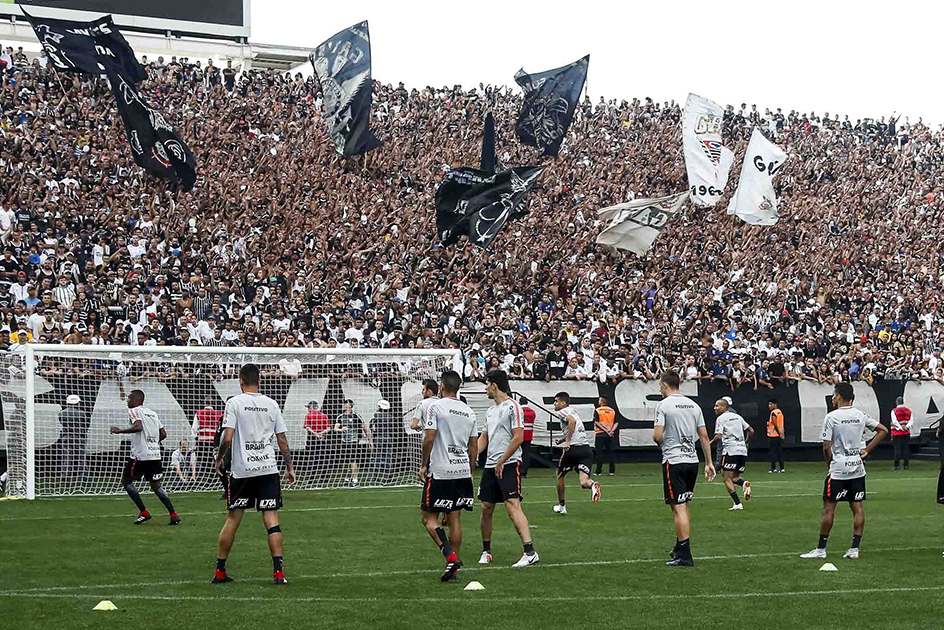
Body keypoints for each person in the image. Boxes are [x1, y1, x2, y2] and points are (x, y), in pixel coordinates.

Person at [213, 363, 296, 585]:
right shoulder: (272, 404)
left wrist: (219, 458)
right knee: (272, 520)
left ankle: (220, 571)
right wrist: (289, 467)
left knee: (233, 519)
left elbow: (227, 437)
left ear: (240, 380)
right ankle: (279, 573)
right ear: (260, 380)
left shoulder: (234, 402)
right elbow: (282, 439)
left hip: (243, 471)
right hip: (268, 468)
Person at [800, 382, 888, 560]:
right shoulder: (860, 415)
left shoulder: (831, 417)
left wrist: (829, 464)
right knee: (857, 508)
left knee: (828, 508)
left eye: (834, 395)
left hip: (838, 469)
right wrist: (867, 450)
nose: (832, 398)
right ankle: (854, 549)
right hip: (857, 469)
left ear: (839, 396)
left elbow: (826, 446)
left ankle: (821, 549)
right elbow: (883, 430)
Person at [419, 370, 478, 582]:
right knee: (454, 518)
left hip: (441, 471)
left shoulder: (436, 407)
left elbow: (429, 438)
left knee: (428, 518)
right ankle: (452, 568)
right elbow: (474, 445)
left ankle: (450, 556)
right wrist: (470, 470)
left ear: (442, 386)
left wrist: (423, 464)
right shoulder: (469, 411)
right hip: (462, 471)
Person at [653, 370, 715, 567]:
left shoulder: (663, 405)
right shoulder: (694, 405)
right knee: (683, 505)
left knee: (678, 507)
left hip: (674, 460)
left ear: (664, 384)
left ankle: (685, 554)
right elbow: (704, 436)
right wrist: (709, 462)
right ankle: (679, 548)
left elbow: (657, 435)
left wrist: (661, 443)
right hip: (692, 460)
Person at [477, 370, 538, 568]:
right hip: (491, 466)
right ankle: (486, 551)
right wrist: (472, 455)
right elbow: (484, 438)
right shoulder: (490, 411)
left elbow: (518, 437)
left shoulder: (514, 407)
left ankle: (530, 552)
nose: (486, 389)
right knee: (486, 507)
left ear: (494, 385)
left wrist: (502, 460)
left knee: (512, 504)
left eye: (487, 384)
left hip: (509, 464)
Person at [109, 390, 180, 526]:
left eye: (129, 398)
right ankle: (173, 515)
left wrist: (119, 431)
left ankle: (144, 512)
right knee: (156, 486)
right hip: (155, 455)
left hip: (140, 456)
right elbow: (163, 433)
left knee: (126, 481)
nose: (127, 400)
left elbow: (138, 427)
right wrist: (152, 443)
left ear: (136, 400)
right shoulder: (152, 413)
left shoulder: (134, 410)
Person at [552, 391, 602, 514]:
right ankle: (593, 485)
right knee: (584, 482)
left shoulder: (562, 411)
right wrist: (562, 439)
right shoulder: (572, 411)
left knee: (560, 476)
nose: (554, 404)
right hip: (585, 449)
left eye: (556, 401)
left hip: (573, 450)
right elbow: (575, 429)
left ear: (563, 403)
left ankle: (562, 506)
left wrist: (567, 442)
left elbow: (572, 422)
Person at [711, 398, 754, 510]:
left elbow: (719, 436)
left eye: (717, 406)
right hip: (742, 451)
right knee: (735, 477)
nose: (715, 408)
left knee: (726, 478)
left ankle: (737, 504)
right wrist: (746, 443)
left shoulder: (720, 418)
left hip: (730, 451)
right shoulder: (738, 417)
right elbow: (751, 430)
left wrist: (709, 443)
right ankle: (744, 483)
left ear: (724, 407)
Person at [335, 398, 372, 487]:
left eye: (345, 404)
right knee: (346, 461)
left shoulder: (356, 416)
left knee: (353, 460)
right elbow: (335, 428)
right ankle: (347, 478)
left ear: (350, 406)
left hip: (353, 441)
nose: (343, 405)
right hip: (344, 442)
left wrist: (370, 440)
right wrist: (341, 429)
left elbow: (365, 427)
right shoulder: (340, 417)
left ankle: (355, 480)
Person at [58, 394, 89, 489]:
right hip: (79, 437)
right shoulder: (82, 413)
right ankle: (84, 479)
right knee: (81, 459)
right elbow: (85, 424)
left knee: (67, 458)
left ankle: (65, 479)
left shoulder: (62, 413)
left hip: (67, 437)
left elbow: (61, 423)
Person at [192, 398, 223, 485]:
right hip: (215, 441)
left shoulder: (199, 413)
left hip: (203, 440)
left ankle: (209, 478)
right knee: (215, 458)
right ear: (213, 403)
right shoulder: (219, 414)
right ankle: (215, 477)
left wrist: (195, 437)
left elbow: (194, 428)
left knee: (204, 460)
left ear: (204, 403)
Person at [303, 400, 332, 484]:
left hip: (312, 439)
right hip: (322, 439)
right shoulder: (324, 415)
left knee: (312, 458)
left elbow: (308, 427)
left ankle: (312, 478)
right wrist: (320, 434)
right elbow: (328, 428)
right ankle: (323, 478)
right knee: (323, 458)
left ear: (313, 407)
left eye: (309, 407)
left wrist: (315, 434)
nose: (308, 409)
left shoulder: (309, 415)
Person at [371, 399, 398, 484]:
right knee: (388, 457)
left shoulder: (376, 416)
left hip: (378, 438)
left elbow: (371, 425)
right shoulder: (391, 417)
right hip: (388, 438)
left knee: (377, 457)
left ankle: (374, 476)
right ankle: (388, 476)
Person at [593, 395, 618, 476]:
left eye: (599, 400)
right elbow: (616, 422)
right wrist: (611, 431)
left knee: (599, 453)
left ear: (602, 402)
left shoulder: (598, 410)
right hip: (610, 435)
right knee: (610, 452)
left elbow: (596, 422)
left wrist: (605, 430)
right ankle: (612, 471)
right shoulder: (612, 411)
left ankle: (598, 471)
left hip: (600, 434)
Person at [890, 397, 913, 470]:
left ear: (897, 402)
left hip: (897, 433)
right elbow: (911, 421)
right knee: (906, 449)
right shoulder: (908, 410)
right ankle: (906, 465)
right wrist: (906, 427)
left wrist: (900, 428)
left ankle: (896, 465)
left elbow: (894, 422)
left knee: (897, 450)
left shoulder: (894, 411)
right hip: (906, 433)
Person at [767, 399, 785, 473]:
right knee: (780, 452)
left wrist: (778, 433)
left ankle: (773, 468)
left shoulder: (774, 412)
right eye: (769, 404)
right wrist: (782, 434)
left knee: (773, 453)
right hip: (779, 436)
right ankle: (782, 468)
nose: (769, 406)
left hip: (773, 436)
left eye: (771, 404)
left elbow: (775, 423)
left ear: (775, 405)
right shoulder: (780, 412)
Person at [519, 396, 535, 477]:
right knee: (526, 455)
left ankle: (517, 470)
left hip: (519, 435)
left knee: (517, 454)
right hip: (528, 435)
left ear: (520, 402)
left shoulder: (518, 411)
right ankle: (524, 472)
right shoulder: (532, 411)